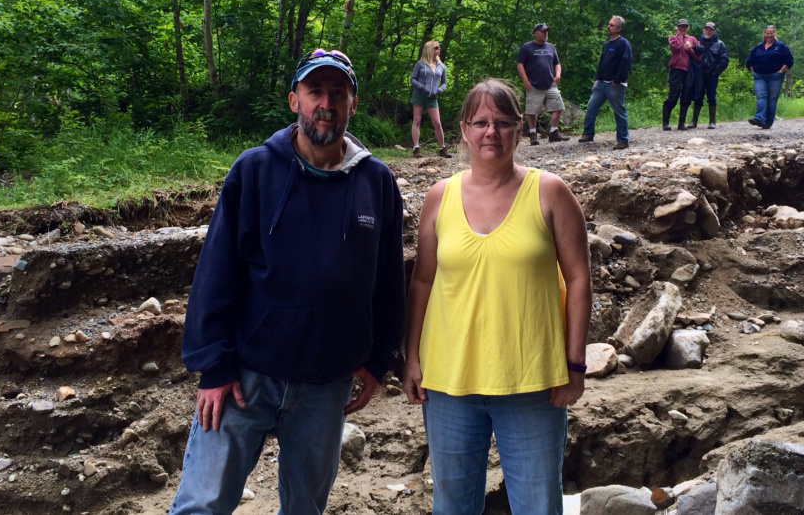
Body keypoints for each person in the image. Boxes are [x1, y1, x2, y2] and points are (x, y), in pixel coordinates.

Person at [169, 49, 406, 515]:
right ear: (294, 99)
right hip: (244, 378)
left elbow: (389, 281)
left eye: (338, 93)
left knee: (304, 510)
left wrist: (380, 358)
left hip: (325, 383)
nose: (326, 103)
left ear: (352, 103)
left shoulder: (377, 183)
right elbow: (217, 271)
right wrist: (213, 366)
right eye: (315, 91)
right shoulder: (254, 170)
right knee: (201, 505)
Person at [403, 79, 591, 515]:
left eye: (504, 122)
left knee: (538, 505)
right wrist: (411, 357)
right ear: (464, 130)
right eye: (482, 122)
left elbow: (579, 279)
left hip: (534, 381)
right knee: (452, 506)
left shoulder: (551, 192)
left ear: (519, 131)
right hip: (449, 381)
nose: (492, 132)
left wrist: (575, 365)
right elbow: (422, 282)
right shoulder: (439, 196)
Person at [578, 15, 633, 149]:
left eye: (612, 25)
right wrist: (597, 79)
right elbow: (602, 63)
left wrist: (617, 80)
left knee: (619, 111)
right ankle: (588, 133)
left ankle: (623, 140)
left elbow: (625, 63)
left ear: (619, 29)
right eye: (608, 24)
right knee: (591, 106)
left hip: (614, 84)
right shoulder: (607, 44)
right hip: (601, 83)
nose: (608, 27)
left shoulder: (623, 43)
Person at [516, 22, 570, 145]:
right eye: (543, 32)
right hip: (534, 84)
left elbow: (557, 63)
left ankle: (553, 132)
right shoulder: (527, 47)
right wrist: (525, 80)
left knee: (558, 106)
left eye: (547, 32)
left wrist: (557, 76)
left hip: (550, 83)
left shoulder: (551, 47)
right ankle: (533, 134)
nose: (546, 34)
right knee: (532, 111)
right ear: (536, 33)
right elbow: (520, 64)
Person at [745, 25, 794, 129]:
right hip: (759, 76)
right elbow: (749, 62)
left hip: (775, 76)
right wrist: (753, 72)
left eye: (771, 33)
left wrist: (780, 71)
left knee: (772, 99)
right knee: (761, 96)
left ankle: (767, 122)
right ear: (764, 34)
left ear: (774, 33)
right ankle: (759, 118)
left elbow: (789, 61)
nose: (769, 35)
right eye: (767, 33)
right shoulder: (757, 48)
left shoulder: (781, 47)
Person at [410, 40, 451, 158]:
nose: (439, 49)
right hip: (419, 95)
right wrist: (422, 87)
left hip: (433, 97)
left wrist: (439, 90)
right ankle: (416, 148)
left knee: (437, 123)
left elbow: (444, 83)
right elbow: (412, 79)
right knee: (417, 120)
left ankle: (442, 148)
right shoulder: (420, 64)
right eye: (436, 48)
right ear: (430, 49)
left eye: (439, 47)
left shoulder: (441, 66)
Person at [689, 21, 729, 129]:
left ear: (714, 31)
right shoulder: (697, 43)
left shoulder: (720, 44)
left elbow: (724, 60)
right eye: (706, 29)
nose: (708, 31)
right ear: (703, 30)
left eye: (710, 29)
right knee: (698, 96)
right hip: (699, 73)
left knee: (711, 97)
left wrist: (716, 71)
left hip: (712, 74)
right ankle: (694, 121)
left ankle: (712, 121)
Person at [662, 19, 699, 131]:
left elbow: (698, 56)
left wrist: (690, 50)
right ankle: (665, 123)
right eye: (681, 27)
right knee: (674, 95)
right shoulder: (672, 38)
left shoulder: (692, 39)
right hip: (676, 70)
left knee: (686, 95)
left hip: (689, 70)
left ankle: (681, 123)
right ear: (677, 27)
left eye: (685, 27)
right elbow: (675, 48)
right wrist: (680, 36)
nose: (683, 29)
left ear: (688, 27)